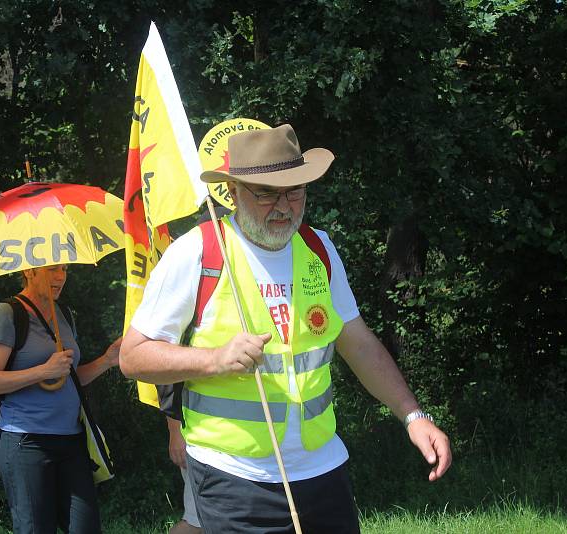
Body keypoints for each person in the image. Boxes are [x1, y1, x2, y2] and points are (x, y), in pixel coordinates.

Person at [119, 124, 452, 533]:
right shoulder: (197, 252)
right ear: (235, 191)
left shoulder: (319, 249)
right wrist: (214, 359)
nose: (284, 206)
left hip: (321, 469)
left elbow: (360, 344)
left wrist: (413, 415)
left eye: (295, 191)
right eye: (266, 193)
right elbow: (133, 357)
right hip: (234, 477)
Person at [0, 264, 121, 534]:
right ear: (29, 271)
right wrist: (43, 370)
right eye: (52, 269)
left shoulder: (64, 314)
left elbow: (70, 377)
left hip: (72, 440)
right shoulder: (8, 313)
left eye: (64, 269)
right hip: (25, 442)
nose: (60, 277)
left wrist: (108, 360)